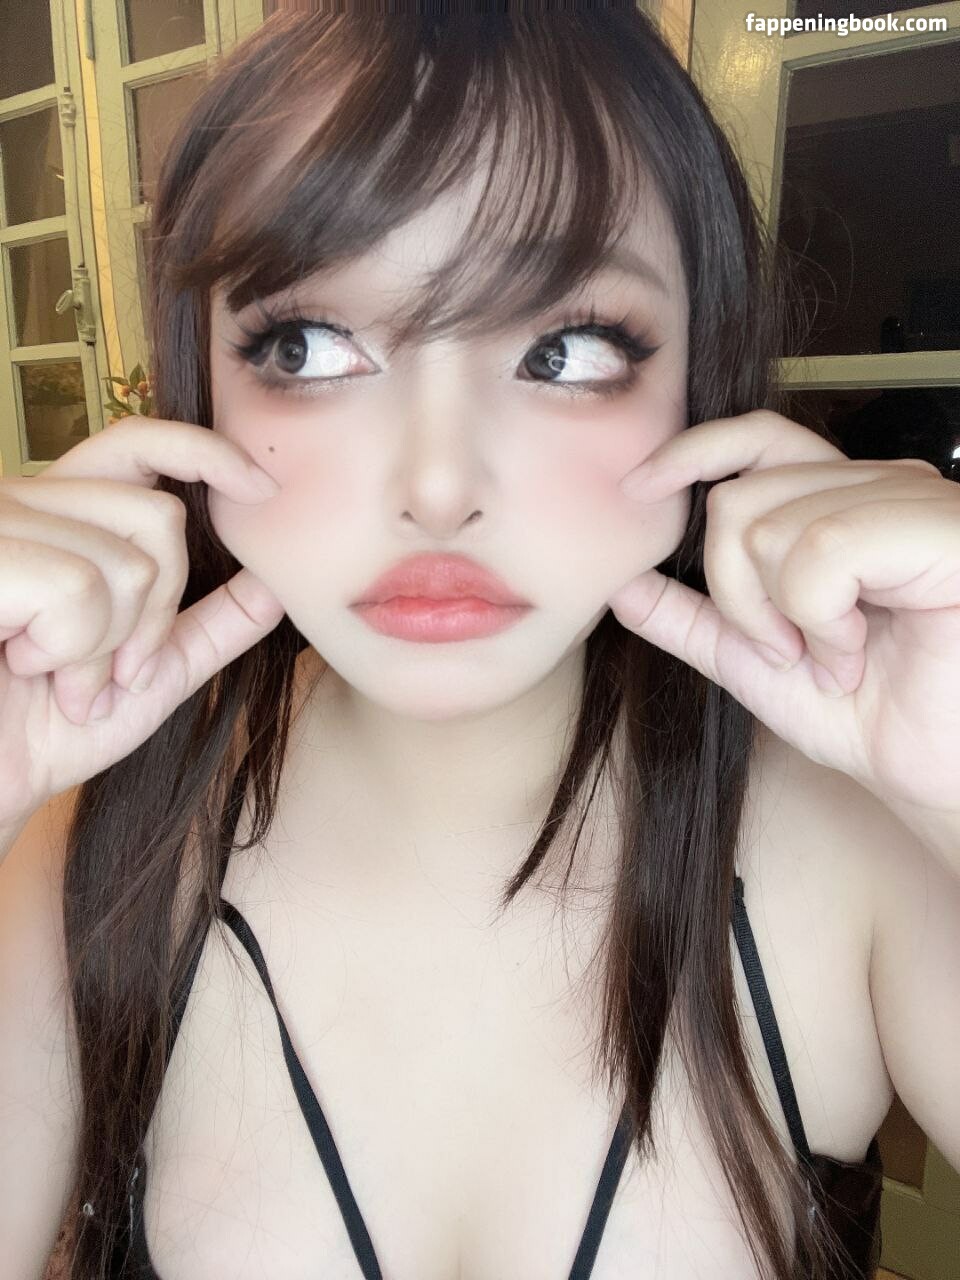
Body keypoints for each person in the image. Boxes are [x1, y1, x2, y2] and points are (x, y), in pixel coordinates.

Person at [1, 5, 958, 1280]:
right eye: (308, 346)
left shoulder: (855, 848)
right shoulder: (95, 851)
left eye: (565, 349)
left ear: (700, 376)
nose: (439, 487)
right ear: (201, 385)